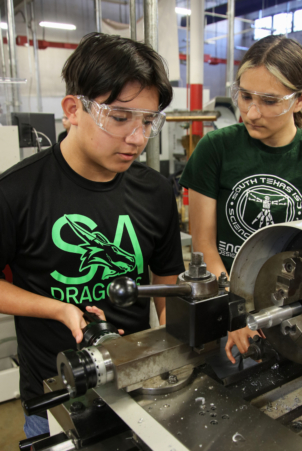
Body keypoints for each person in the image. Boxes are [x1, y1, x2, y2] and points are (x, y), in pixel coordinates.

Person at [0, 32, 185, 438]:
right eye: (120, 118)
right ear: (72, 110)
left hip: (138, 386)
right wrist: (58, 309)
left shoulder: (154, 191)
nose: (136, 138)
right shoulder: (15, 193)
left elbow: (166, 286)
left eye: (148, 121)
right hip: (54, 394)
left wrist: (177, 355)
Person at [180, 35, 302, 365]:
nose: (252, 112)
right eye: (245, 96)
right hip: (228, 306)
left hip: (300, 313)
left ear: (300, 99)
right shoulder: (215, 149)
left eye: (270, 101)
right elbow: (204, 243)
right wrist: (236, 312)